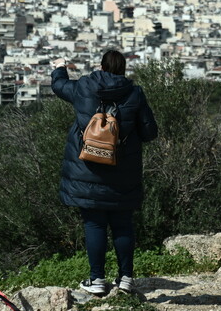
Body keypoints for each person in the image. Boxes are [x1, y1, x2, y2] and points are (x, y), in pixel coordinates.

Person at [51, 50, 158, 295]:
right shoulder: (135, 93)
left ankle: (97, 280)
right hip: (123, 172)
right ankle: (126, 279)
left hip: (88, 170)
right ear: (123, 69)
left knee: (95, 225)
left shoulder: (84, 88)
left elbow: (59, 86)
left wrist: (60, 66)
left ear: (101, 66)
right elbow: (150, 132)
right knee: (122, 225)